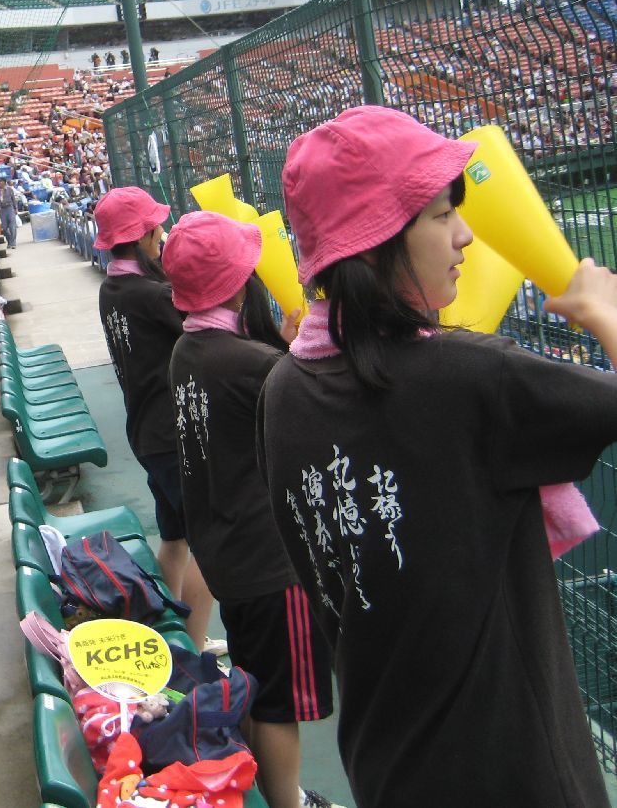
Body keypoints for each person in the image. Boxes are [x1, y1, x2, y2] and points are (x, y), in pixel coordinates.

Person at [258, 104, 617, 807]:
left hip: (386, 761)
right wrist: (601, 311)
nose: (465, 234)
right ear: (375, 243)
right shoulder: (470, 379)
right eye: (438, 214)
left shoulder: (283, 388)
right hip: (516, 773)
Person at [161, 211, 337, 808]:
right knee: (279, 702)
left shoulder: (191, 348)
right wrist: (298, 350)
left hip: (229, 556)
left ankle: (276, 792)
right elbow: (316, 401)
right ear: (239, 283)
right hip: (270, 563)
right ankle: (288, 801)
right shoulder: (250, 364)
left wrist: (283, 350)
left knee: (256, 681)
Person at [93, 187, 213, 648]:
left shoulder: (113, 288)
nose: (162, 238)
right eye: (157, 230)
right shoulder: (151, 294)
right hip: (175, 437)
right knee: (207, 544)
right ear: (143, 236)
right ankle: (196, 648)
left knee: (174, 536)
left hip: (145, 432)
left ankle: (177, 636)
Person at [0, 176, 19, 251]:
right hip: (2, 210)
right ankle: (9, 241)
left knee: (12, 226)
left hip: (10, 208)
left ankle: (13, 243)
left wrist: (16, 209)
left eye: (0, 182)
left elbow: (13, 199)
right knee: (5, 227)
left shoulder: (9, 189)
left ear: (4, 182)